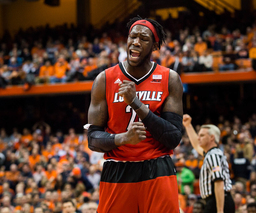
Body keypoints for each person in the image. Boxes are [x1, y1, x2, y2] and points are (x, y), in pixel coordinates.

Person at [86, 16, 183, 212]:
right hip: (118, 169)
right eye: (133, 36)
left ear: (155, 45)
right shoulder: (104, 79)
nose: (136, 42)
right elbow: (93, 139)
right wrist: (123, 139)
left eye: (144, 38)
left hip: (157, 167)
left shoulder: (169, 78)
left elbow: (173, 137)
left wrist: (137, 103)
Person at [183, 114, 235, 213]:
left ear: (212, 138)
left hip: (218, 201)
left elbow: (219, 181)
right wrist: (188, 126)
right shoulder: (212, 153)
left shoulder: (213, 155)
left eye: (202, 135)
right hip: (218, 200)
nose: (198, 138)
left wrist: (220, 210)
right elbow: (197, 146)